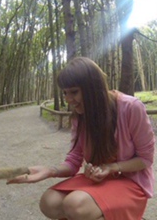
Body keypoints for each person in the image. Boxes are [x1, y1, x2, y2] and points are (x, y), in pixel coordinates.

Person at [8, 57, 155, 220]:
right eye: (65, 93)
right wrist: (50, 171)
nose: (69, 100)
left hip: (132, 182)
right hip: (100, 180)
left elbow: (145, 159)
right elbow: (74, 161)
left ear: (93, 87)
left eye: (74, 92)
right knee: (48, 202)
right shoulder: (80, 116)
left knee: (75, 205)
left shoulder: (131, 108)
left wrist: (111, 167)